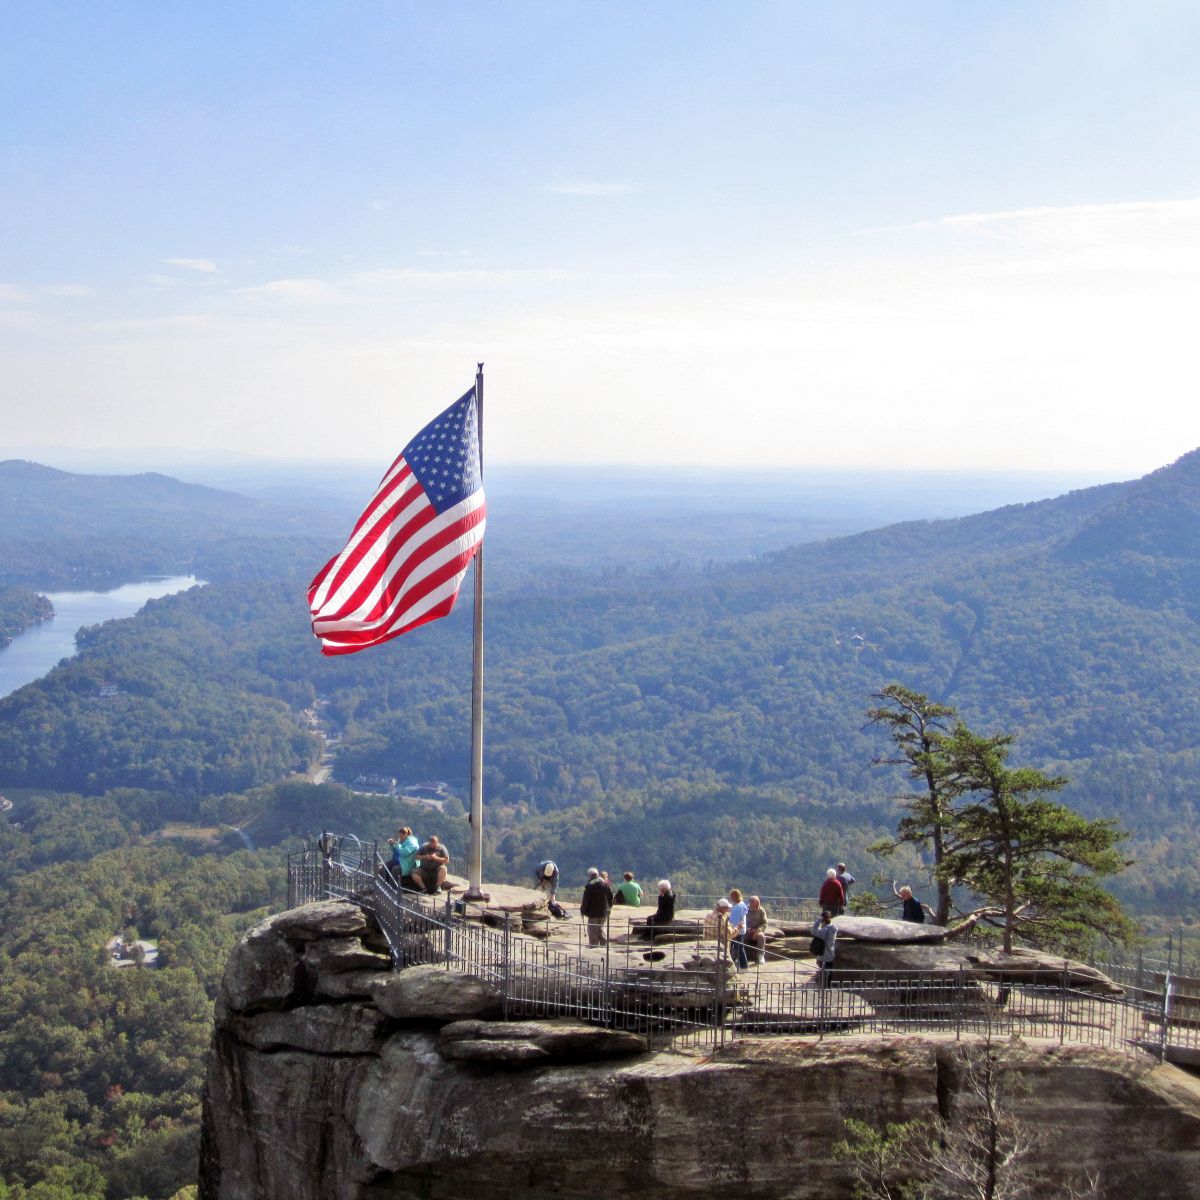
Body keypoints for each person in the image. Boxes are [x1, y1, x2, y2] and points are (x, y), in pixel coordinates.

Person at [580, 867, 612, 946]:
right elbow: (610, 897)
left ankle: (594, 946)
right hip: (604, 912)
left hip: (593, 913)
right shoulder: (605, 884)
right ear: (597, 874)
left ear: (590, 876)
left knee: (592, 930)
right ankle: (604, 945)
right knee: (601, 928)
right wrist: (609, 907)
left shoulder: (589, 886)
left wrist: (583, 911)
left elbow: (586, 901)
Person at [811, 909, 837, 981]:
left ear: (823, 920)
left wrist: (818, 920)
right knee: (828, 974)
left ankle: (823, 989)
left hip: (823, 956)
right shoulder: (833, 928)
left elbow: (813, 931)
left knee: (824, 976)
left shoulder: (825, 930)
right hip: (830, 955)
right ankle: (827, 988)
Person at [727, 888, 750, 970]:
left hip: (737, 930)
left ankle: (743, 966)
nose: (730, 898)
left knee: (738, 948)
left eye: (731, 896)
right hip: (740, 930)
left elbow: (734, 921)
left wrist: (728, 925)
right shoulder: (741, 904)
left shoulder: (738, 907)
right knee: (738, 948)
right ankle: (740, 966)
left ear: (734, 897)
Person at [744, 895, 768, 965]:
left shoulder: (761, 910)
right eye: (756, 904)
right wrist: (746, 928)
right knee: (739, 936)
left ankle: (760, 956)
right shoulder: (745, 909)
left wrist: (757, 931)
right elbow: (741, 921)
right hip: (746, 931)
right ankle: (738, 956)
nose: (758, 906)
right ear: (751, 903)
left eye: (759, 903)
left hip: (757, 931)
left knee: (761, 937)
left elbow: (764, 923)